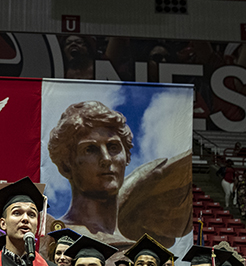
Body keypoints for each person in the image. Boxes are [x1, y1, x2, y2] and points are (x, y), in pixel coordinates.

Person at [47, 100, 191, 248]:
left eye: (113, 147)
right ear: (65, 165)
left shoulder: (137, 250)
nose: (106, 159)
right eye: (90, 149)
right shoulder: (52, 235)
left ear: (127, 157)